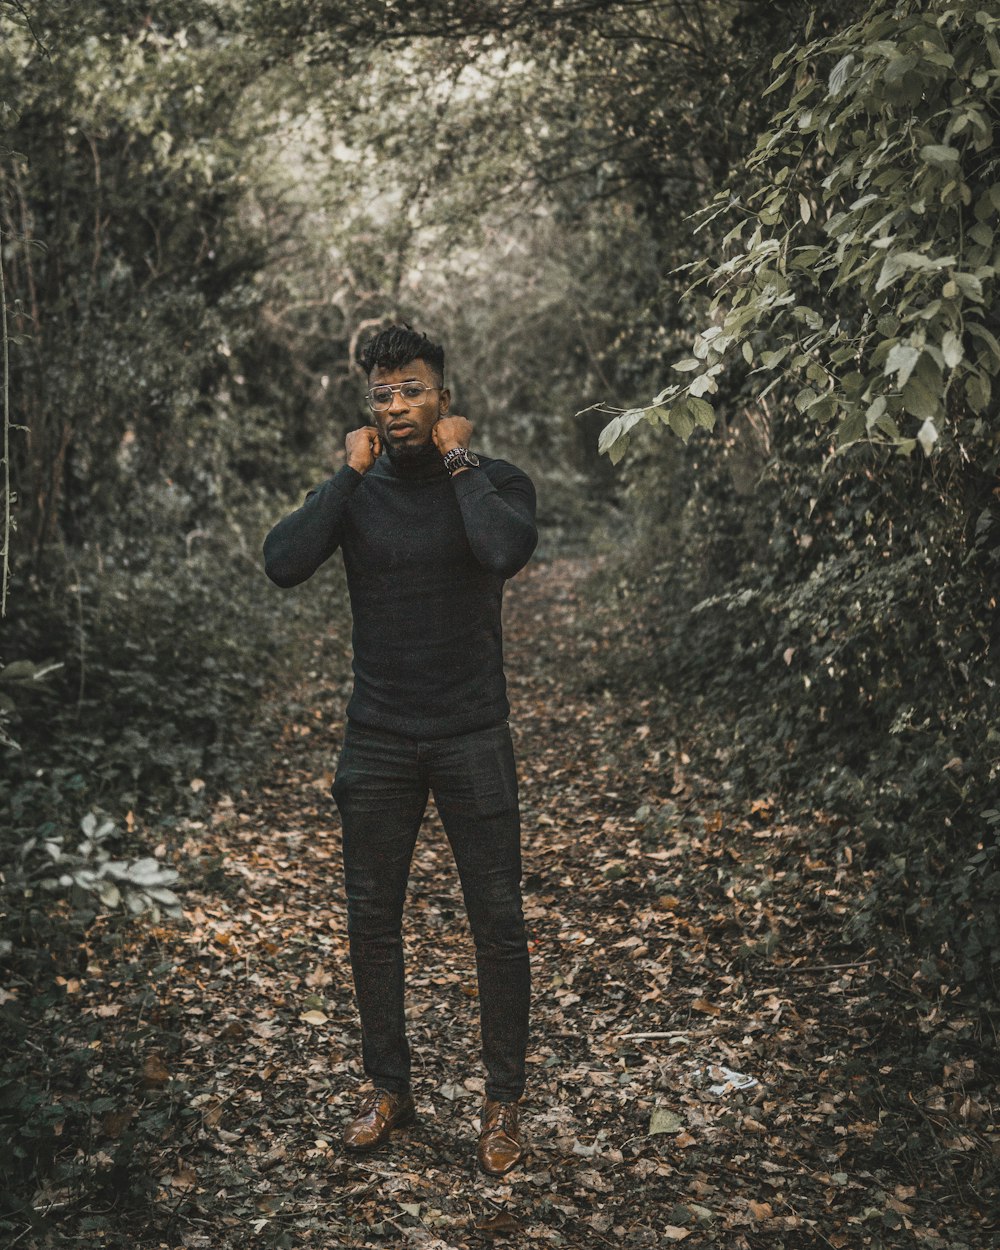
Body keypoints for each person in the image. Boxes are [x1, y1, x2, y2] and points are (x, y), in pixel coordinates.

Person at [262, 324, 537, 1176]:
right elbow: (283, 562)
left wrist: (459, 465)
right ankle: (391, 1087)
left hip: (472, 736)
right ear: (368, 408)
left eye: (413, 389)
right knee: (372, 923)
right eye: (383, 394)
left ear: (444, 397)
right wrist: (346, 472)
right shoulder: (360, 489)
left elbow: (503, 550)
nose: (399, 405)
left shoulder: (494, 482)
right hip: (377, 737)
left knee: (497, 924)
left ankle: (502, 1104)